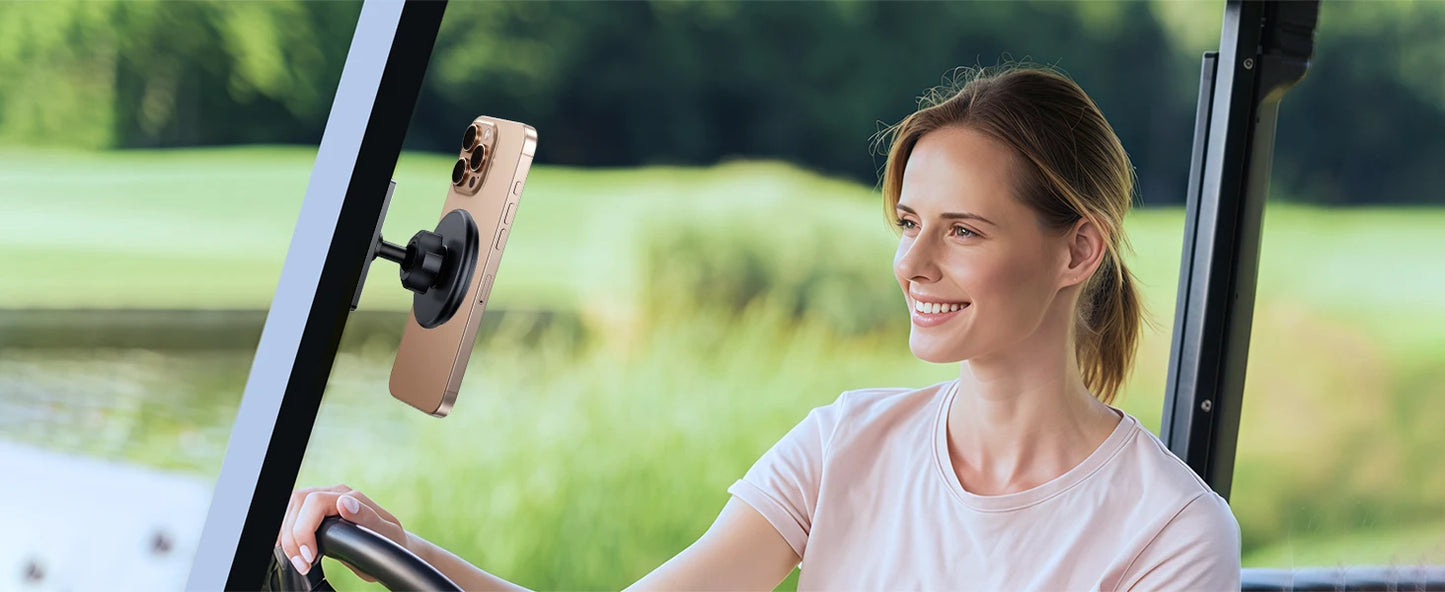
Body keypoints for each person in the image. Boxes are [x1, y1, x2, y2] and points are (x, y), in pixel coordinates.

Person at [277, 65, 1242, 591]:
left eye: (964, 231)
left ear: (1078, 252)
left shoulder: (1169, 535)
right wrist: (403, 547)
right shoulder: (844, 446)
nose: (912, 265)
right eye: (908, 225)